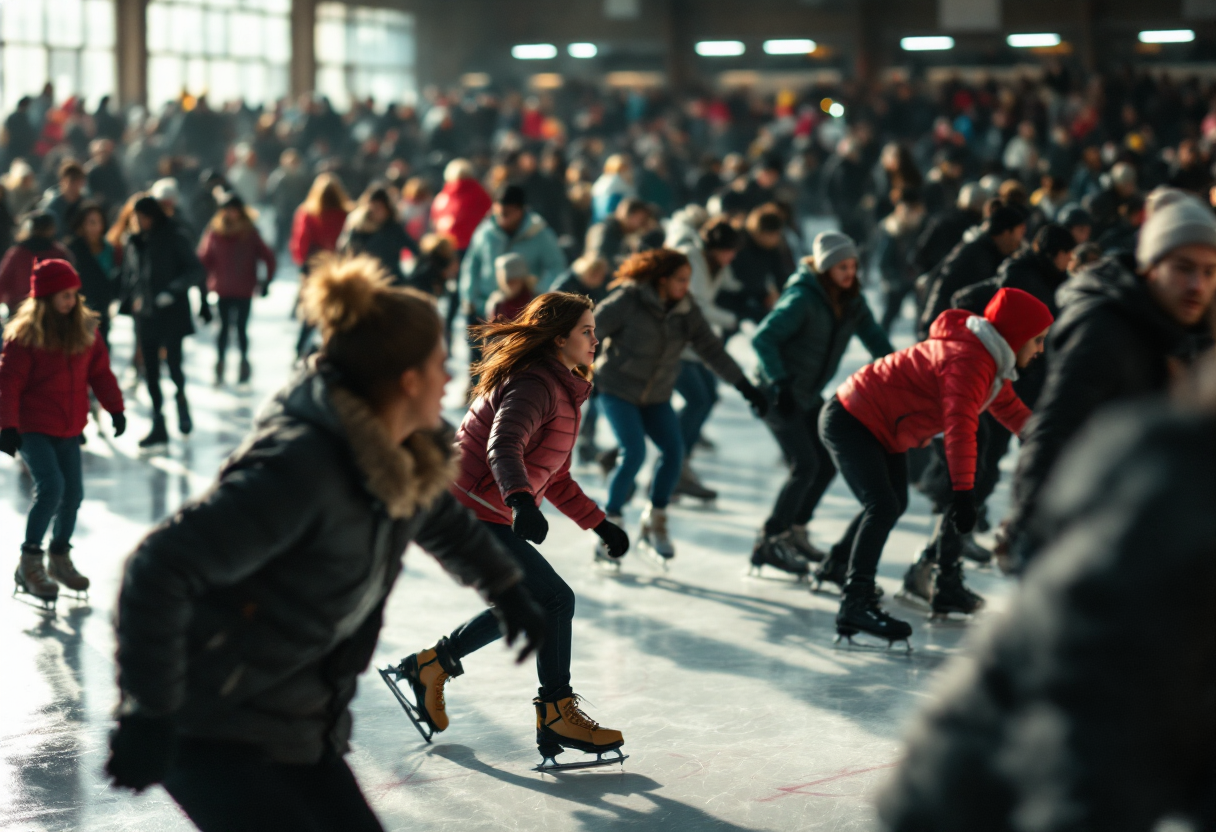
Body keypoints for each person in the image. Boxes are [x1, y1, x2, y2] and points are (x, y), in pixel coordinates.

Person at [104, 254, 546, 831]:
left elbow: (443, 521)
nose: (449, 378)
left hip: (298, 722)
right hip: (208, 726)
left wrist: (507, 590)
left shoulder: (402, 454)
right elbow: (159, 566)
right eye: (441, 363)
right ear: (406, 379)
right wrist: (148, 712)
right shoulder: (303, 466)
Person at [877, 358, 1215, 832]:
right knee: (885, 502)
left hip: (1082, 773)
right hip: (983, 795)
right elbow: (1085, 708)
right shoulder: (1166, 499)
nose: (1036, 352)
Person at [397, 291, 630, 765]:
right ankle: (556, 710)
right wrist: (520, 500)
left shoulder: (564, 390)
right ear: (559, 337)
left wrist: (600, 525)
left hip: (482, 507)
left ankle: (433, 665)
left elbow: (556, 477)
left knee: (532, 600)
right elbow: (503, 445)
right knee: (554, 598)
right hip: (465, 508)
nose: (595, 339)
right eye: (586, 331)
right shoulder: (535, 384)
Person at [816, 288, 1053, 640]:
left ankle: (839, 566)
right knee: (883, 505)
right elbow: (960, 428)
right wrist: (964, 494)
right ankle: (855, 603)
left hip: (877, 424)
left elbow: (1010, 410)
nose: (1041, 349)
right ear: (1016, 336)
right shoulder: (970, 361)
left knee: (891, 503)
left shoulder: (987, 360)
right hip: (853, 418)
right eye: (1037, 340)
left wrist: (1054, 442)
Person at [1003, 193, 1216, 567]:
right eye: (1183, 268)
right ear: (1150, 267)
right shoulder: (1105, 331)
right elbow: (1055, 427)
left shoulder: (1193, 332)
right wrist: (1029, 530)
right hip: (1096, 536)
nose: (1197, 284)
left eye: (1210, 271)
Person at [593, 249, 768, 562]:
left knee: (675, 453)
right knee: (634, 452)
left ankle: (655, 520)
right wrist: (577, 372)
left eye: (688, 280)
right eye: (681, 280)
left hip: (656, 396)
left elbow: (712, 350)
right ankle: (612, 525)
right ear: (662, 280)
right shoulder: (628, 300)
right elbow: (589, 332)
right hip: (618, 389)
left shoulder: (686, 310)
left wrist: (745, 387)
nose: (687, 286)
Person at [752, 232, 894, 575]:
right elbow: (763, 338)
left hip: (806, 393)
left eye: (853, 266)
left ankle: (795, 530)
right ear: (825, 267)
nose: (849, 273)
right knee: (805, 464)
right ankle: (769, 541)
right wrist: (780, 382)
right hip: (775, 391)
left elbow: (876, 339)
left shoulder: (851, 301)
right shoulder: (802, 298)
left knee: (827, 462)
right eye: (841, 267)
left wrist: (900, 370)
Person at [0, 259, 125, 606]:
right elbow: (8, 383)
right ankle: (29, 563)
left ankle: (59, 556)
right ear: (45, 298)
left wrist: (115, 408)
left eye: (74, 294)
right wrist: (6, 426)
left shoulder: (85, 330)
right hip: (33, 427)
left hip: (70, 427)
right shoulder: (25, 335)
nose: (71, 301)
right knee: (52, 488)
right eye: (64, 295)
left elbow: (100, 373)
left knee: (73, 495)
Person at [666, 216, 742, 501]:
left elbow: (733, 284)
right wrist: (732, 319)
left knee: (708, 397)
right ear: (714, 249)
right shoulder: (693, 260)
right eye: (728, 251)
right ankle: (673, 465)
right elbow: (695, 306)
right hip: (674, 342)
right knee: (698, 399)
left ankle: (677, 463)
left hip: (693, 345)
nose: (731, 257)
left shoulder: (715, 264)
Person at [121, 196, 205, 447]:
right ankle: (158, 422)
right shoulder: (135, 241)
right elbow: (131, 275)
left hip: (171, 314)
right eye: (136, 217)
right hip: (146, 315)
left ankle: (181, 405)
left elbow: (195, 270)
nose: (140, 222)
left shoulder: (174, 236)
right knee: (151, 371)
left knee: (175, 365)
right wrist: (130, 298)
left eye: (144, 217)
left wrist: (173, 290)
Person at [460, 184, 566, 362]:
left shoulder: (539, 234)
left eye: (507, 213)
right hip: (485, 307)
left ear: (520, 210)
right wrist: (469, 297)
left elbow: (556, 266)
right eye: (498, 212)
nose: (502, 217)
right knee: (480, 362)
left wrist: (540, 291)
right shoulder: (485, 233)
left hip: (523, 311)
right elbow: (471, 265)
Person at [197, 192, 276, 385]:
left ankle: (243, 364)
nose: (232, 214)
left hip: (243, 288)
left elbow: (268, 257)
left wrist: (267, 281)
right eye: (228, 210)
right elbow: (204, 260)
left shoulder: (250, 232)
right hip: (223, 288)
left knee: (241, 329)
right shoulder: (215, 232)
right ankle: (220, 363)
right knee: (223, 328)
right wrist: (202, 286)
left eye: (235, 210)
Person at [917, 202, 1027, 339]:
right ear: (1005, 233)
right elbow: (944, 287)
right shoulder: (975, 255)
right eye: (1020, 233)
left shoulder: (999, 255)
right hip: (952, 331)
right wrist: (929, 328)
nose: (1021, 241)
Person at [290, 173, 352, 357]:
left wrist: (302, 262)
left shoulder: (308, 213)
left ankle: (300, 349)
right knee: (336, 309)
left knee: (313, 310)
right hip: (338, 266)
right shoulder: (346, 213)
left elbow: (301, 241)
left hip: (315, 266)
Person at [339, 184, 418, 285]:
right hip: (365, 281)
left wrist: (412, 275)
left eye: (380, 207)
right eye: (375, 207)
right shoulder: (358, 227)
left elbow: (415, 249)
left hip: (391, 280)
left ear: (387, 208)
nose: (377, 211)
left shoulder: (393, 228)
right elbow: (345, 251)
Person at [64, 202, 119, 346]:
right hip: (77, 312)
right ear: (82, 225)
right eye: (91, 222)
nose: (96, 227)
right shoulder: (72, 250)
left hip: (102, 311)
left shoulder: (109, 249)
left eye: (99, 222)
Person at [0, 211, 73, 317]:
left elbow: (3, 282)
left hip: (40, 311)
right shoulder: (60, 253)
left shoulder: (17, 253)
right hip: (26, 311)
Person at [584, 197, 652, 280]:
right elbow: (598, 261)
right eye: (641, 220)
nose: (642, 224)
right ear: (627, 213)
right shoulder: (603, 230)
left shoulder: (627, 235)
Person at [264, 149, 311, 254]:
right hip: (282, 212)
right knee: (279, 241)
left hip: (297, 212)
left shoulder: (302, 177)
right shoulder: (278, 177)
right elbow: (270, 193)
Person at [38, 159, 88, 239]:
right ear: (62, 181)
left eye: (78, 180)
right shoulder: (52, 207)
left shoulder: (85, 205)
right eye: (71, 180)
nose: (74, 184)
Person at [485, 253, 537, 323]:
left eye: (515, 281)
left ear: (522, 281)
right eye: (509, 282)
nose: (513, 286)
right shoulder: (497, 304)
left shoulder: (533, 300)